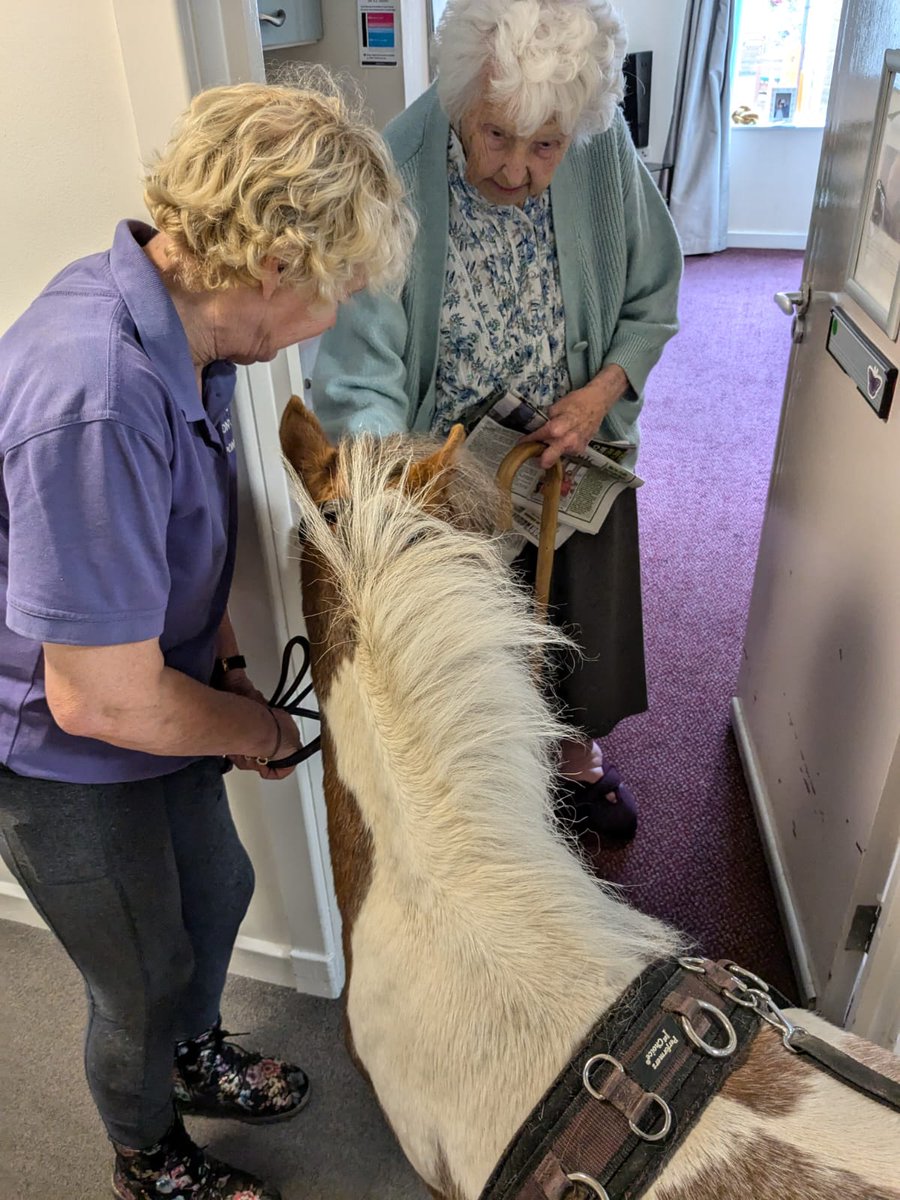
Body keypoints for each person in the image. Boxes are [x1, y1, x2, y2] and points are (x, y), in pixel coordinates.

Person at [0, 79, 411, 1200]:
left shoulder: (203, 342)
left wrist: (227, 665)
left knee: (216, 890)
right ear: (277, 266)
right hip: (63, 750)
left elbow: (185, 543)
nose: (340, 313)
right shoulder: (96, 387)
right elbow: (95, 698)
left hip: (162, 691)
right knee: (137, 973)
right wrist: (255, 724)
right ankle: (146, 1153)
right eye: (341, 288)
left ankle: (196, 1057)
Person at [311, 0, 682, 849]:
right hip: (444, 460)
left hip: (569, 442)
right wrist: (398, 491)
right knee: (458, 636)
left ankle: (573, 756)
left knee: (581, 615)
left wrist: (599, 395)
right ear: (457, 102)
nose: (516, 169)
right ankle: (480, 780)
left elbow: (653, 292)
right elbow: (360, 369)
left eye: (544, 145)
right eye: (494, 137)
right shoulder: (396, 166)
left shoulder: (603, 148)